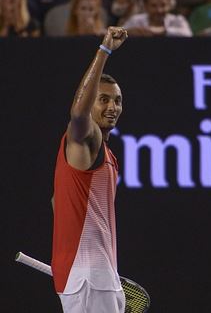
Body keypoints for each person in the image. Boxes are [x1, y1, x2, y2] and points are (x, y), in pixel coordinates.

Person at [51, 26, 128, 313]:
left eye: (118, 100)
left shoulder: (106, 156)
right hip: (91, 277)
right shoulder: (87, 136)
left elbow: (58, 202)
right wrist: (105, 50)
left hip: (94, 275)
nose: (113, 107)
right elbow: (78, 114)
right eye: (104, 99)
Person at [123, 0, 192, 36]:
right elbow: (116, 36)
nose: (159, 10)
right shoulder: (136, 21)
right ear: (145, 6)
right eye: (154, 6)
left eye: (163, 5)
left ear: (169, 5)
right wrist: (129, 32)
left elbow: (188, 35)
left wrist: (162, 31)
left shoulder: (177, 20)